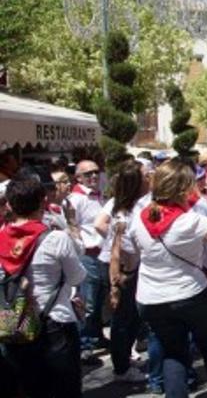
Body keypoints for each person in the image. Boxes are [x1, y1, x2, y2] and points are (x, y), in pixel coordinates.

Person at [131, 160, 207, 397]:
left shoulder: (139, 216)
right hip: (189, 294)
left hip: (151, 298)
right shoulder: (189, 220)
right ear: (183, 189)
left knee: (173, 352)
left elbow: (133, 248)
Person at [0, 173, 87, 397]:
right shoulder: (55, 238)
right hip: (54, 323)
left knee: (28, 388)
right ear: (42, 203)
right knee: (64, 390)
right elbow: (77, 277)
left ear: (10, 204)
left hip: (14, 324)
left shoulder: (1, 236)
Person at [95, 160, 150, 382]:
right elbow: (100, 225)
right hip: (119, 267)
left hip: (128, 265)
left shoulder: (135, 204)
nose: (149, 178)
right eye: (145, 175)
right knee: (122, 319)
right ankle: (121, 368)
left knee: (132, 317)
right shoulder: (124, 207)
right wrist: (117, 239)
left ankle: (124, 360)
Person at [67, 159, 108, 360]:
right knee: (88, 302)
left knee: (99, 300)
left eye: (96, 172)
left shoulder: (98, 195)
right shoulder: (75, 199)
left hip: (101, 254)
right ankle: (84, 345)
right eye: (89, 173)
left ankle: (96, 336)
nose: (94, 176)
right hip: (88, 255)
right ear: (79, 177)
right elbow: (73, 227)